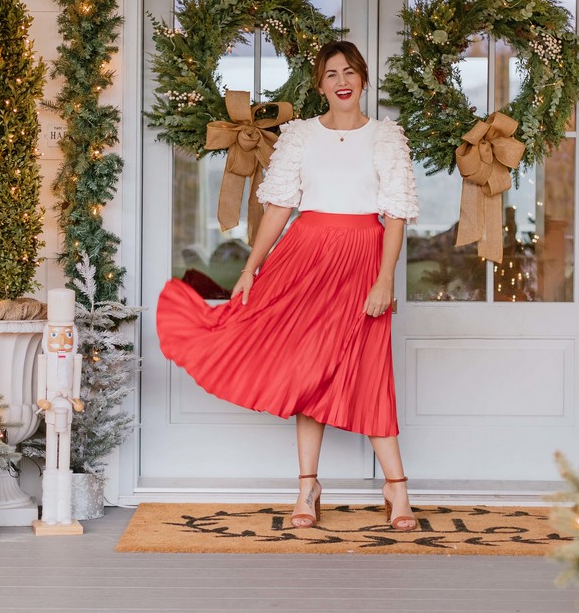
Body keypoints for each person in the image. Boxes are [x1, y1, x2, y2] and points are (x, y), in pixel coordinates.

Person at [156, 40, 420, 530]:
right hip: (304, 258)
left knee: (369, 370)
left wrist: (385, 280)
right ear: (320, 86)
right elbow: (279, 206)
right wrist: (250, 268)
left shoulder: (385, 137)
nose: (342, 81)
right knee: (306, 370)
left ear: (362, 78)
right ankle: (307, 487)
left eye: (349, 72)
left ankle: (395, 487)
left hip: (363, 258)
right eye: (331, 74)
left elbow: (397, 215)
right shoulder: (300, 136)